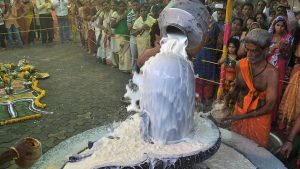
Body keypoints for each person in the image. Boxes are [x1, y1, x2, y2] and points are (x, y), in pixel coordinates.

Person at [222, 28, 279, 148]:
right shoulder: (240, 65)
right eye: (248, 50)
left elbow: (270, 106)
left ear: (266, 51)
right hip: (239, 112)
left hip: (258, 120)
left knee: (255, 155)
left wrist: (241, 117)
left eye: (254, 51)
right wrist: (226, 98)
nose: (249, 55)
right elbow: (237, 88)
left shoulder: (271, 73)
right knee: (235, 151)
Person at [267, 16, 293, 121]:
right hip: (267, 65)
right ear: (274, 25)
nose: (280, 28)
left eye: (282, 26)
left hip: (280, 66)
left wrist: (281, 49)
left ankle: (271, 117)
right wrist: (272, 48)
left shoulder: (289, 38)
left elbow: (288, 56)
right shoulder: (269, 36)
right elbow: (264, 52)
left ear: (285, 27)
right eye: (278, 25)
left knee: (276, 91)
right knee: (265, 88)